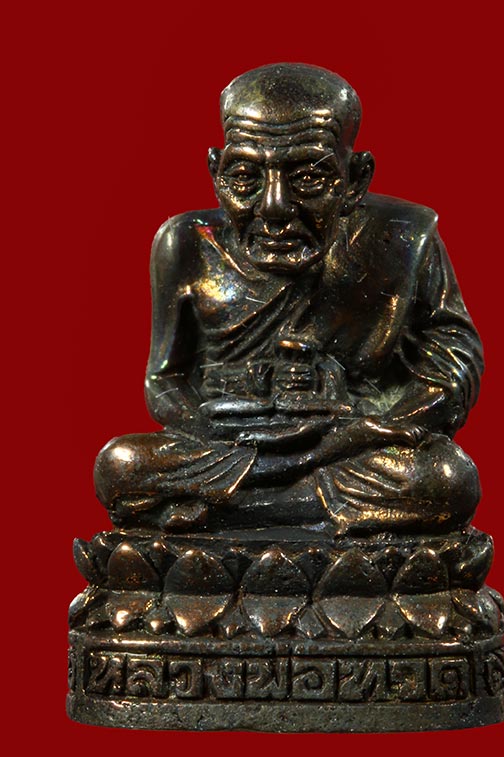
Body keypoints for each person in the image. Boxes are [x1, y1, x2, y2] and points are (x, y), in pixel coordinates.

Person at [94, 63, 483, 536]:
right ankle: (301, 507)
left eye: (309, 178)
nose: (274, 206)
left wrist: (367, 427)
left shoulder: (403, 240)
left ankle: (232, 513)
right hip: (233, 444)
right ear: (216, 172)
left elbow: (452, 362)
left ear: (355, 179)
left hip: (347, 441)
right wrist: (220, 426)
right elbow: (164, 379)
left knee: (445, 477)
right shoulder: (185, 244)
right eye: (245, 177)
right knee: (120, 463)